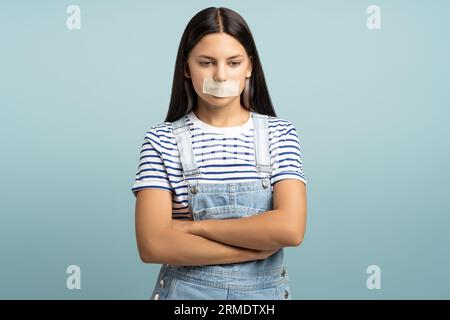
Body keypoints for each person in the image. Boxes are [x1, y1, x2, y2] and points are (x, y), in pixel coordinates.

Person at [131, 7, 307, 300]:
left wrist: (194, 228)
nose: (221, 75)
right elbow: (153, 245)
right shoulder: (161, 141)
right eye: (207, 62)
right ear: (187, 67)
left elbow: (290, 229)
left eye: (234, 62)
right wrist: (254, 248)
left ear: (249, 66)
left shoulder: (280, 134)